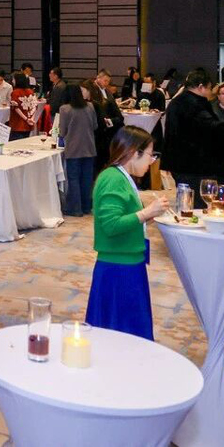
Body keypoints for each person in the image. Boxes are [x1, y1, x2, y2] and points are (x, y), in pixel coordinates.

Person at [85, 126, 166, 340]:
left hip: (127, 261)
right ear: (133, 153)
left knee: (126, 335)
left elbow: (123, 218)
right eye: (149, 155)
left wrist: (147, 215)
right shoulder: (113, 179)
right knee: (121, 336)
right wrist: (145, 213)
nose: (152, 161)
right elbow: (111, 225)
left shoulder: (121, 177)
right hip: (118, 268)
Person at [161, 69, 224, 208]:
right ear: (201, 86)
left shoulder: (178, 101)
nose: (210, 92)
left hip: (181, 160)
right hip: (195, 163)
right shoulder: (194, 103)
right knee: (199, 202)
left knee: (187, 199)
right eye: (209, 88)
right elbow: (209, 127)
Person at [60, 82, 99, 216]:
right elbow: (95, 126)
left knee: (73, 178)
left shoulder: (65, 109)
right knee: (87, 178)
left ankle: (75, 208)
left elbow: (62, 131)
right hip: (89, 147)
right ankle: (87, 207)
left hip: (73, 148)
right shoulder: (90, 106)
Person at [89, 70, 124, 176]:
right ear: (98, 78)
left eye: (108, 81)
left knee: (105, 158)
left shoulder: (107, 92)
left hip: (108, 130)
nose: (106, 83)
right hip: (98, 130)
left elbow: (116, 112)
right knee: (97, 161)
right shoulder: (92, 91)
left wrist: (113, 121)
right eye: (105, 80)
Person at [8, 74, 37, 140]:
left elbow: (16, 108)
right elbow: (35, 106)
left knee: (15, 143)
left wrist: (26, 119)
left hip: (17, 123)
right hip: (28, 124)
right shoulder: (31, 91)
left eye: (14, 79)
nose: (12, 81)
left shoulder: (15, 92)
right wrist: (31, 118)